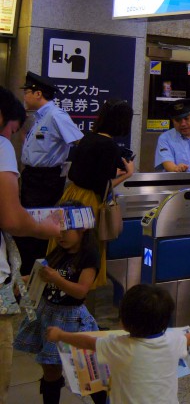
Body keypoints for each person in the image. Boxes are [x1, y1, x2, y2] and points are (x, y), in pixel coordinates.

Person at [0, 87, 61, 404]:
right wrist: (43, 229)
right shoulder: (0, 146)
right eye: (12, 130)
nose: (12, 137)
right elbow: (12, 218)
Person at [47, 284, 190, 404]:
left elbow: (88, 342)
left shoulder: (119, 346)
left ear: (125, 323)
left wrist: (61, 335)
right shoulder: (174, 341)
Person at [14, 223, 105, 404]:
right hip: (48, 314)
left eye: (65, 231)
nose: (59, 235)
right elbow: (42, 277)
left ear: (82, 229)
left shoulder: (89, 256)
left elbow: (81, 291)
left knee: (88, 370)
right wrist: (24, 280)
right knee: (50, 368)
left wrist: (56, 279)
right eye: (57, 230)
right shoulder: (58, 252)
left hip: (72, 317)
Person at [56, 99, 135, 288]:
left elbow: (86, 172)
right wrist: (128, 174)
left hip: (71, 195)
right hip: (88, 202)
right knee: (85, 247)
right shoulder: (109, 146)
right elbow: (102, 185)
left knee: (65, 243)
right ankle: (82, 287)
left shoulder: (87, 138)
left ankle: (59, 280)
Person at [17, 72, 83, 272]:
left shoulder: (55, 115)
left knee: (38, 227)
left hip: (45, 180)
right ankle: (29, 268)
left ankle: (36, 270)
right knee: (29, 224)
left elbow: (78, 141)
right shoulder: (39, 117)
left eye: (27, 93)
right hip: (32, 177)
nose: (24, 97)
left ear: (38, 94)